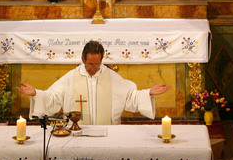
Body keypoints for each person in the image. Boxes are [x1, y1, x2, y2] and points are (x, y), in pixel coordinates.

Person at [17, 40, 171, 125]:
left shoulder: (110, 76)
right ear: (83, 59)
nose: (94, 68)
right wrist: (36, 93)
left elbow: (130, 96)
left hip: (108, 134)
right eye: (90, 64)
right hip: (77, 133)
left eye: (97, 64)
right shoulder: (71, 77)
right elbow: (53, 97)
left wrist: (148, 92)